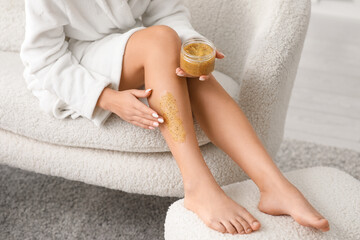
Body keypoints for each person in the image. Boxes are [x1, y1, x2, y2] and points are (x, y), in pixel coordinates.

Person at [20, 0, 330, 235]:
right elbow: (43, 59)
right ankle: (197, 185)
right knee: (161, 40)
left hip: (132, 44)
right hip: (76, 64)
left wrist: (195, 46)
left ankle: (273, 184)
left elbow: (167, 14)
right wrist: (106, 98)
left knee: (186, 62)